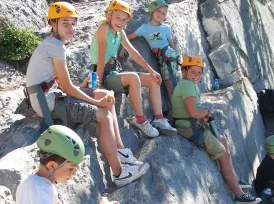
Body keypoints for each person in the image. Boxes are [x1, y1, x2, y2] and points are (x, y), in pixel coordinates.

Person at [25, 2, 148, 188]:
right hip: (48, 103)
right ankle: (119, 173)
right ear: (53, 24)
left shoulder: (54, 44)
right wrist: (93, 101)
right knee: (104, 114)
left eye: (73, 23)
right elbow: (66, 88)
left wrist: (84, 89)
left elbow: (63, 84)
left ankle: (122, 152)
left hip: (49, 96)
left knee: (106, 95)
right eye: (65, 23)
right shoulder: (55, 46)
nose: (71, 28)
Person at [171, 56, 261, 204]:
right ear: (184, 71)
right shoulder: (187, 86)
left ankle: (233, 176)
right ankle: (239, 194)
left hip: (189, 124)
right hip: (188, 128)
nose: (196, 76)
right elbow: (193, 112)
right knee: (223, 154)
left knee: (223, 140)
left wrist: (203, 113)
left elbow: (191, 112)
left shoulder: (186, 84)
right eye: (193, 72)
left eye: (199, 73)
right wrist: (206, 111)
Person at [89, 0, 177, 137]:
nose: (120, 22)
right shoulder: (104, 28)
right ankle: (140, 120)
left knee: (153, 79)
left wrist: (151, 71)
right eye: (117, 17)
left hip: (114, 72)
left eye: (124, 19)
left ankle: (159, 119)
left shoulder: (120, 33)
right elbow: (101, 58)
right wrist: (98, 84)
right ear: (109, 15)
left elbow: (134, 53)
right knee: (133, 77)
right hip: (103, 75)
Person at [119, 0, 178, 115]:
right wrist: (123, 48)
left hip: (167, 56)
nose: (161, 15)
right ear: (152, 12)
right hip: (161, 57)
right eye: (158, 11)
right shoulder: (145, 28)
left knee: (169, 83)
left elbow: (171, 45)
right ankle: (174, 110)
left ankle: (174, 111)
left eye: (164, 13)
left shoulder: (166, 28)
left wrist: (170, 55)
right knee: (167, 83)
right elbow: (129, 37)